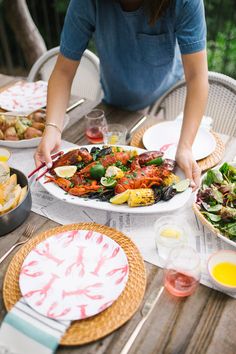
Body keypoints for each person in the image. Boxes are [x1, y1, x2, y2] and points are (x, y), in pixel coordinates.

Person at [34, 0, 209, 189]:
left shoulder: (186, 3)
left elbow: (197, 76)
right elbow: (63, 72)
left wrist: (185, 147)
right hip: (114, 103)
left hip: (165, 104)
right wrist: (52, 128)